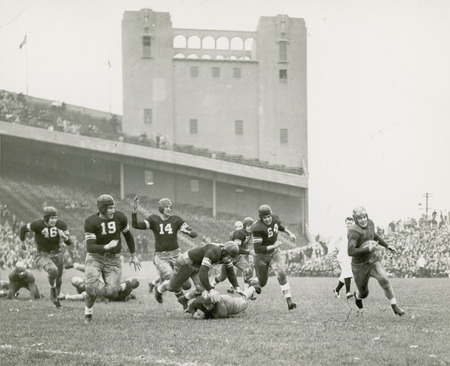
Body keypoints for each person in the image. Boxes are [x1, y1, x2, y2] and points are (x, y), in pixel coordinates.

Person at [83, 194, 141, 323]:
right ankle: (88, 314)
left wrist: (133, 255)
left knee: (112, 293)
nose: (113, 211)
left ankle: (92, 284)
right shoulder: (90, 221)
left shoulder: (120, 217)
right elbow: (90, 247)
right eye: (110, 208)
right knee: (91, 290)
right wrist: (106, 246)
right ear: (102, 209)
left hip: (113, 260)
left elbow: (128, 235)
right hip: (95, 258)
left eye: (113, 207)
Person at [131, 196, 197, 308]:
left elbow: (189, 230)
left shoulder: (176, 219)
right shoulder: (153, 220)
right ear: (161, 208)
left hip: (176, 255)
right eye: (166, 207)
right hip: (161, 257)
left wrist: (189, 232)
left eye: (170, 207)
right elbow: (136, 225)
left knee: (186, 285)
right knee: (174, 280)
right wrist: (134, 212)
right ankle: (184, 303)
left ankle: (158, 289)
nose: (169, 209)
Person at [348, 205, 405, 316]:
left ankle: (394, 306)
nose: (363, 219)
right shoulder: (353, 231)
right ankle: (357, 295)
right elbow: (350, 251)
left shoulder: (370, 223)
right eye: (359, 218)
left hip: (372, 259)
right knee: (364, 294)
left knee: (384, 279)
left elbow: (373, 235)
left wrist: (387, 246)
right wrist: (366, 249)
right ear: (355, 219)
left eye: (364, 216)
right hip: (359, 265)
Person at [154, 241, 246, 306]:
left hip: (197, 266)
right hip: (186, 263)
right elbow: (203, 272)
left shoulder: (226, 254)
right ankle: (159, 289)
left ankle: (184, 299)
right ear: (225, 252)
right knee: (174, 287)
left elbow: (230, 271)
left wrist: (237, 288)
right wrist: (210, 289)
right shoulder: (213, 253)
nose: (231, 260)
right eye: (230, 257)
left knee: (202, 290)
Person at [19, 206, 73, 307]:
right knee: (53, 271)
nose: (54, 220)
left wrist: (64, 237)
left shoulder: (61, 224)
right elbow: (23, 229)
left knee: (59, 279)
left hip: (57, 254)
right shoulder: (37, 224)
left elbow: (69, 242)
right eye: (51, 218)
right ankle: (52, 289)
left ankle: (56, 301)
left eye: (55, 218)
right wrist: (22, 242)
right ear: (46, 218)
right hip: (42, 254)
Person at [251, 204, 297, 310]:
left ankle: (289, 300)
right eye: (264, 217)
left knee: (281, 273)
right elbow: (258, 249)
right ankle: (248, 293)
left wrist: (290, 234)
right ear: (261, 218)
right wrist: (274, 245)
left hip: (274, 253)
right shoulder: (257, 228)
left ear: (271, 215)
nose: (267, 219)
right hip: (261, 256)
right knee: (261, 282)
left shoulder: (275, 219)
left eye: (268, 216)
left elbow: (280, 227)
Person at [212, 217, 256, 293]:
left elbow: (250, 243)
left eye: (251, 226)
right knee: (223, 276)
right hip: (229, 256)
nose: (249, 227)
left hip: (238, 256)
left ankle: (246, 291)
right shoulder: (239, 233)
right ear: (244, 225)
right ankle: (212, 285)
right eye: (248, 225)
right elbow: (236, 248)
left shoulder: (250, 232)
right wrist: (248, 252)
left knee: (248, 270)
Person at [186, 286, 259, 319]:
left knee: (244, 301)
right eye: (205, 305)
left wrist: (204, 316)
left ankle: (253, 287)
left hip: (231, 303)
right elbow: (191, 307)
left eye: (209, 305)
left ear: (213, 302)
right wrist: (194, 313)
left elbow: (217, 316)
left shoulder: (220, 309)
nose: (206, 307)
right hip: (223, 298)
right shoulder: (199, 301)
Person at [61, 275, 140, 302]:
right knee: (85, 295)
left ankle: (66, 297)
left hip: (103, 292)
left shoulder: (127, 284)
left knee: (86, 294)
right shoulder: (129, 291)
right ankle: (66, 297)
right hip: (105, 297)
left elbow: (119, 288)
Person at [331, 217, 355, 300]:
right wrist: (331, 250)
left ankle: (336, 290)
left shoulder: (355, 233)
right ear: (345, 224)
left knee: (345, 274)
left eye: (351, 223)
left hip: (349, 257)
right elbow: (333, 240)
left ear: (353, 223)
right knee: (348, 272)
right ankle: (348, 292)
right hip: (342, 256)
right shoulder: (342, 232)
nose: (349, 225)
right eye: (348, 223)